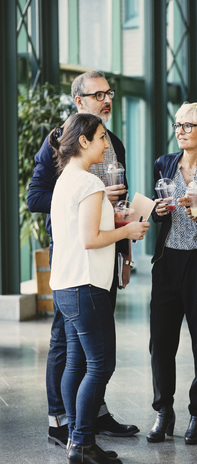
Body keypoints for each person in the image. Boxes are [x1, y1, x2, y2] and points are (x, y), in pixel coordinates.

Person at [27, 71, 139, 448]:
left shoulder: (114, 144)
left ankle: (92, 416)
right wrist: (89, 202)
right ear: (79, 102)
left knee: (93, 346)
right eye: (98, 94)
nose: (107, 99)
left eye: (110, 92)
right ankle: (60, 420)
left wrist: (125, 254)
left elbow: (118, 204)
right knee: (67, 342)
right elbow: (35, 197)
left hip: (106, 253)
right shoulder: (59, 143)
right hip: (75, 255)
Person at [48, 113, 149, 464]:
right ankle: (82, 443)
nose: (107, 145)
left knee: (76, 363)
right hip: (87, 286)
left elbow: (81, 232)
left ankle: (77, 438)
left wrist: (114, 219)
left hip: (66, 285)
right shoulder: (89, 183)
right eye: (102, 137)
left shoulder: (66, 180)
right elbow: (91, 239)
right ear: (84, 141)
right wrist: (128, 232)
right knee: (100, 365)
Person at [147, 102, 197, 445]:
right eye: (177, 125)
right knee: (161, 342)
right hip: (168, 262)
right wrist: (158, 210)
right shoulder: (165, 163)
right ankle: (164, 411)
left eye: (188, 125)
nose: (179, 130)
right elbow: (156, 211)